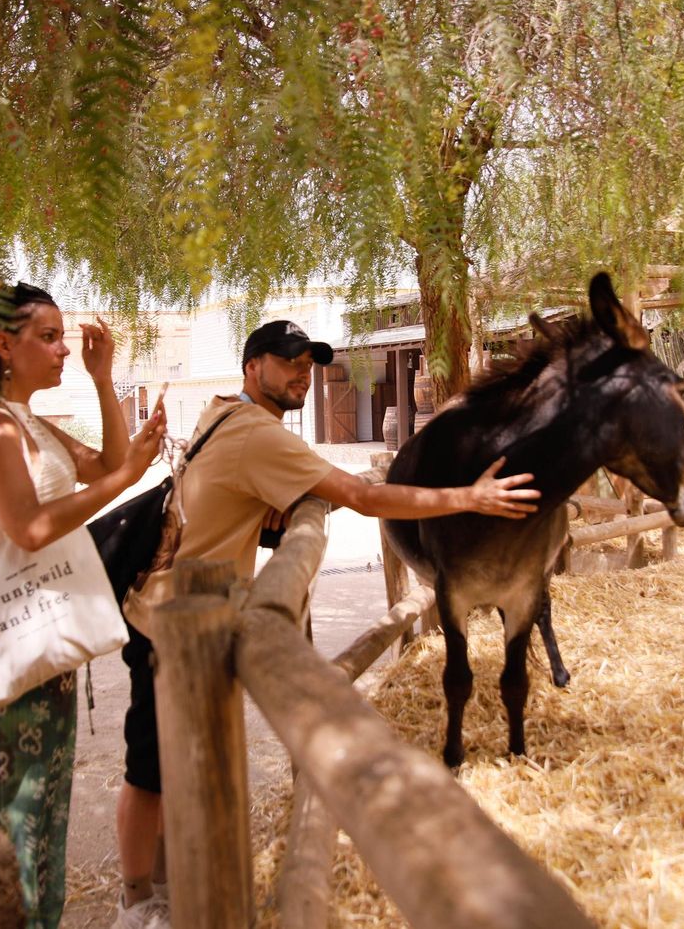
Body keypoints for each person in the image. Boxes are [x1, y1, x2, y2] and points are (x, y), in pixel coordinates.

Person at [111, 319, 539, 928]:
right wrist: (467, 498)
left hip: (168, 605)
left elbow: (244, 502)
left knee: (167, 759)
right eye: (287, 363)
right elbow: (362, 498)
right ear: (251, 367)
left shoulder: (220, 413)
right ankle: (132, 903)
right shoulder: (259, 435)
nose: (301, 376)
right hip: (171, 619)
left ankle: (160, 884)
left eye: (308, 366)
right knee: (148, 766)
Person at [0, 282, 166, 929]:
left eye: (64, 336)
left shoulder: (29, 422)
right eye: (49, 337)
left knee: (43, 809)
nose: (63, 349)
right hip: (19, 630)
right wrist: (126, 480)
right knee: (18, 809)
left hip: (41, 632)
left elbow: (108, 465)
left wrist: (104, 380)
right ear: (4, 346)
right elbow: (30, 528)